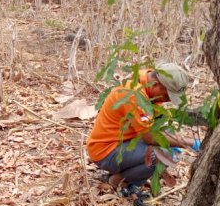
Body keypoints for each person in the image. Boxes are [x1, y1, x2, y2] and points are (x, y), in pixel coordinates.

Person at [85, 63, 198, 192]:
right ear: (155, 84)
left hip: (123, 141)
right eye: (167, 96)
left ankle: (130, 174)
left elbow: (155, 125)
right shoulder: (135, 95)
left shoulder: (146, 78)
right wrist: (189, 143)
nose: (168, 101)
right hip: (106, 151)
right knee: (162, 155)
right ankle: (118, 181)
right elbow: (149, 138)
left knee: (167, 139)